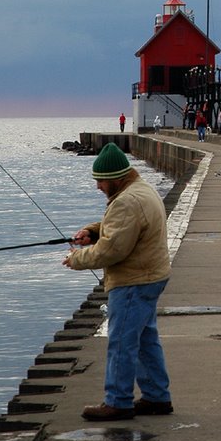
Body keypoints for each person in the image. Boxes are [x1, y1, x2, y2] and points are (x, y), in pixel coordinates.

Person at [62, 142, 172, 422]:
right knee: (145, 340)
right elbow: (121, 228)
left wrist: (78, 259)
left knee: (122, 342)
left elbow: (113, 250)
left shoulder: (125, 201)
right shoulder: (141, 189)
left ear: (115, 178)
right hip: (151, 276)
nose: (98, 186)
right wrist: (91, 231)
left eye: (100, 181)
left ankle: (118, 402)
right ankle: (157, 397)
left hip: (133, 281)